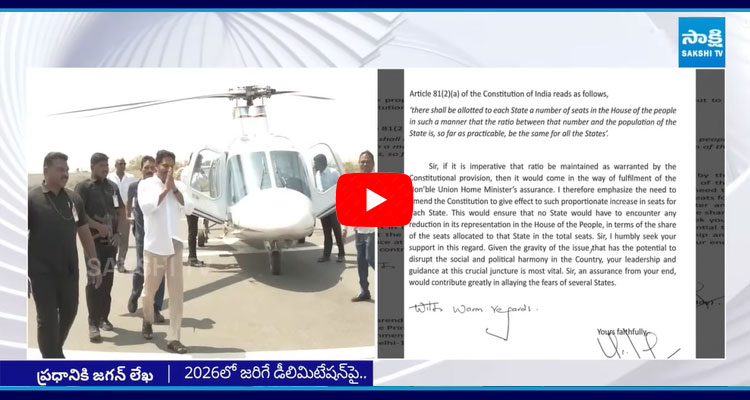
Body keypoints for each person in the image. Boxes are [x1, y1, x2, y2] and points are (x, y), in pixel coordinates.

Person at [28, 152, 102, 358]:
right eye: (60, 169)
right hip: (41, 272)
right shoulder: (32, 199)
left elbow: (84, 231)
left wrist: (94, 263)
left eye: (67, 170)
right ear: (46, 170)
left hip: (69, 270)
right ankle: (52, 358)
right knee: (47, 319)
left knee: (70, 311)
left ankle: (54, 349)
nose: (65, 173)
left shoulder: (74, 199)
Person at [138, 149, 193, 354]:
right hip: (155, 246)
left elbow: (190, 208)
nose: (168, 169)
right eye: (165, 165)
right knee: (149, 292)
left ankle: (174, 338)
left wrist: (174, 190)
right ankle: (147, 318)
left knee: (176, 294)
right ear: (157, 165)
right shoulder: (146, 185)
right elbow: (147, 208)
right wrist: (164, 190)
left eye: (171, 166)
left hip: (175, 244)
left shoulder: (179, 186)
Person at [75, 153, 127, 342]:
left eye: (106, 165)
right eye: (101, 165)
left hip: (110, 245)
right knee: (94, 282)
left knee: (107, 283)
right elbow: (78, 214)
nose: (105, 168)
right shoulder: (84, 188)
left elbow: (121, 211)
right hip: (93, 244)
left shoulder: (112, 187)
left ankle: (104, 317)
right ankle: (93, 323)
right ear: (92, 166)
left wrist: (118, 233)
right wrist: (98, 226)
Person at [126, 156, 166, 323]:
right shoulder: (134, 186)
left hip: (158, 234)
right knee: (142, 267)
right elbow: (129, 202)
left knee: (160, 271)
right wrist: (129, 216)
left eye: (152, 167)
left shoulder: (160, 186)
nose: (149, 170)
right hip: (141, 232)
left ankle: (156, 308)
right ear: (141, 169)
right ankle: (135, 294)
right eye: (146, 167)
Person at [350, 150, 376, 302]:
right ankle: (364, 292)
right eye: (362, 162)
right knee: (361, 263)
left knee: (371, 258)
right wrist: (346, 227)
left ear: (373, 164)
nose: (364, 164)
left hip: (373, 230)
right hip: (359, 230)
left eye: (367, 161)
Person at [313, 154, 345, 263]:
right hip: (324, 208)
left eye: (316, 163)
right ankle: (326, 255)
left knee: (337, 232)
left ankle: (341, 254)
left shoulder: (333, 173)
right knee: (327, 233)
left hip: (333, 207)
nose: (315, 165)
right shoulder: (317, 174)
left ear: (322, 163)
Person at [108, 158, 137, 273]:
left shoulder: (131, 178)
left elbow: (134, 196)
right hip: (111, 211)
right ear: (115, 165)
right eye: (120, 163)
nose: (123, 165)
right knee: (112, 238)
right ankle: (112, 261)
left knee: (124, 238)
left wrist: (132, 212)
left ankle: (121, 263)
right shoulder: (109, 177)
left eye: (124, 163)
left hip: (125, 211)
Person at [186, 157, 207, 267]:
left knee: (193, 230)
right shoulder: (188, 172)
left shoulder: (197, 172)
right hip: (190, 205)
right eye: (199, 161)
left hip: (195, 204)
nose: (200, 163)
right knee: (192, 231)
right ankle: (192, 257)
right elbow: (203, 183)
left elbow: (205, 183)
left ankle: (192, 256)